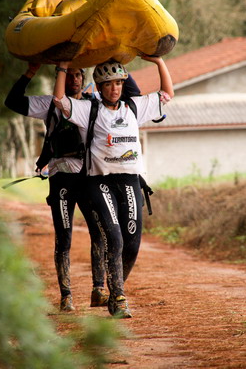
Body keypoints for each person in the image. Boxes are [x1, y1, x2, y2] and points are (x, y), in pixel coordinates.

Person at [4, 62, 141, 312]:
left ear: (84, 77)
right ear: (61, 77)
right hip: (62, 178)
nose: (74, 80)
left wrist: (118, 57)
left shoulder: (94, 103)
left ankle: (99, 290)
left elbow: (131, 96)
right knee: (64, 236)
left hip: (91, 178)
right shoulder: (50, 104)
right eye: (69, 75)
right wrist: (30, 72)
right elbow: (13, 101)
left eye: (78, 75)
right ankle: (66, 295)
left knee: (101, 232)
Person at [53, 56, 174, 318]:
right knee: (114, 237)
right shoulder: (89, 109)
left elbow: (166, 94)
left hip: (130, 180)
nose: (115, 88)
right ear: (99, 87)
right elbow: (60, 101)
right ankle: (118, 297)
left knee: (131, 243)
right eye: (108, 84)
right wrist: (62, 67)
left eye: (119, 83)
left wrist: (159, 61)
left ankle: (115, 286)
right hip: (100, 182)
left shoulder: (133, 107)